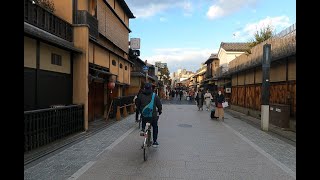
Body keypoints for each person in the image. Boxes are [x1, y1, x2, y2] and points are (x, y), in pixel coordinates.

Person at [136, 83, 162, 147]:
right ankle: (155, 141)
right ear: (151, 88)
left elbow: (137, 105)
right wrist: (160, 111)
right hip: (153, 116)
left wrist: (140, 111)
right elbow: (159, 105)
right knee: (155, 127)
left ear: (144, 88)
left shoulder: (141, 95)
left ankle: (143, 129)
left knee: (144, 119)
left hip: (144, 116)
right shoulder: (154, 95)